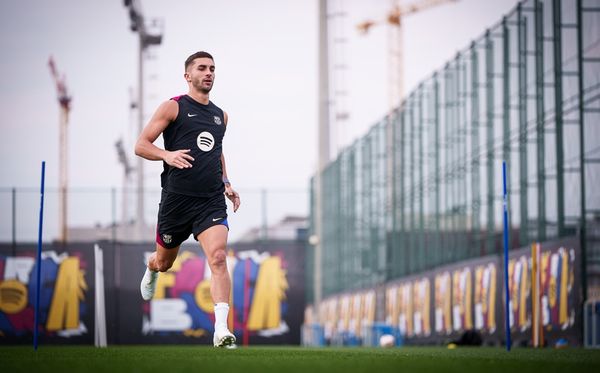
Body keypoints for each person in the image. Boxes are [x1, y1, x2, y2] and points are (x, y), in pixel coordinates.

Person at [134, 51, 240, 348]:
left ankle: (221, 330)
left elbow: (216, 150)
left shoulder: (221, 116)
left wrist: (226, 182)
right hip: (177, 201)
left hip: (210, 201)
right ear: (188, 76)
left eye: (212, 69)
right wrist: (167, 155)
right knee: (166, 262)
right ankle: (153, 267)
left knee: (218, 258)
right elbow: (141, 145)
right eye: (202, 68)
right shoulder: (173, 107)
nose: (209, 73)